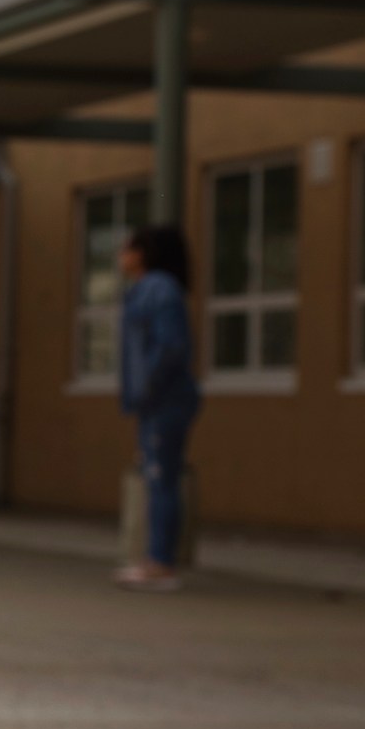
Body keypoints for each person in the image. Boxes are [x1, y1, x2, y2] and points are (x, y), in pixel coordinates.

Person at [117, 223, 200, 592]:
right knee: (157, 479)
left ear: (144, 252)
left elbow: (170, 347)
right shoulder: (148, 290)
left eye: (129, 246)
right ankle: (156, 559)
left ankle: (162, 563)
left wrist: (146, 387)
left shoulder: (159, 290)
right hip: (156, 401)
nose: (121, 254)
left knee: (162, 478)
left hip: (164, 400)